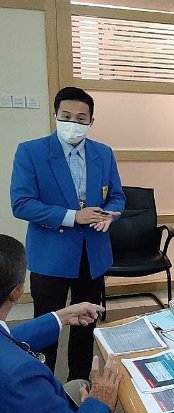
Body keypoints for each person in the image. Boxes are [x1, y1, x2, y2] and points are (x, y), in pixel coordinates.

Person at [10, 87, 125, 381]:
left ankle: (79, 382)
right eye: (66, 116)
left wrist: (110, 215)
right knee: (47, 325)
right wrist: (74, 216)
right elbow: (21, 203)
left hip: (93, 253)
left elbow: (117, 196)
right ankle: (41, 381)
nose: (73, 123)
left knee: (86, 322)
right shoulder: (31, 151)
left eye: (81, 118)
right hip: (51, 255)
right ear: (55, 116)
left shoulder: (103, 153)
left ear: (91, 121)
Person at [0, 234, 142, 413]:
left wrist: (60, 317)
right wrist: (100, 403)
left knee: (76, 386)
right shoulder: (20, 376)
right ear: (17, 292)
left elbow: (7, 338)